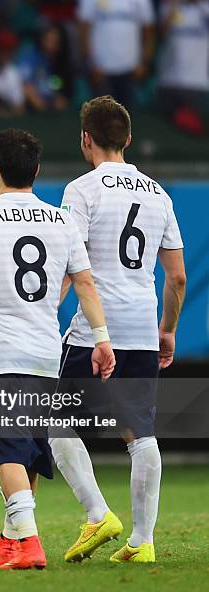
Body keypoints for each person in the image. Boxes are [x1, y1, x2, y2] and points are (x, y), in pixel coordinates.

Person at [0, 128, 115, 570]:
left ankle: (30, 543)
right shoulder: (62, 221)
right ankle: (9, 538)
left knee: (9, 452)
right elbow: (86, 282)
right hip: (48, 350)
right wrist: (102, 337)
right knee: (30, 449)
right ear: (36, 170)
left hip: (3, 352)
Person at [51, 96, 186, 563]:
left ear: (85, 139)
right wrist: (167, 329)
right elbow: (178, 277)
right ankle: (143, 542)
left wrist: (49, 311)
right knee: (141, 433)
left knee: (53, 422)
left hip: (95, 329)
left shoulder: (81, 190)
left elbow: (73, 265)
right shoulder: (159, 194)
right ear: (127, 138)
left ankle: (97, 515)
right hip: (143, 326)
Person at [78, 0, 155, 109]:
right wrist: (90, 64)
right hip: (101, 71)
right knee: (101, 119)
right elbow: (83, 31)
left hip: (131, 70)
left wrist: (144, 63)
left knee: (127, 120)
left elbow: (149, 32)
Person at [157, 0, 209, 119]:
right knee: (165, 128)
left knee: (194, 130)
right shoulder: (169, 5)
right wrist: (176, 6)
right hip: (168, 81)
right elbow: (161, 33)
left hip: (197, 83)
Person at [17, 22, 73, 112]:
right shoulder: (31, 58)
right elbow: (25, 86)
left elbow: (58, 91)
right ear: (42, 40)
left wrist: (59, 102)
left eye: (56, 42)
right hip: (30, 111)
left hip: (50, 110)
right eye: (49, 40)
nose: (51, 45)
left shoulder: (59, 64)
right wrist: (43, 107)